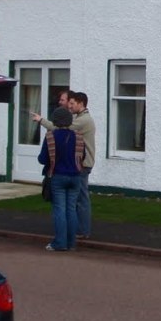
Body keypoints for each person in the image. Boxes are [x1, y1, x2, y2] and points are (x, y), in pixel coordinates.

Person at [36, 107, 83, 252]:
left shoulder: (50, 136)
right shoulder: (78, 137)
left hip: (58, 176)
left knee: (59, 210)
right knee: (71, 209)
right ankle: (71, 243)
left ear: (55, 120)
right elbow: (83, 157)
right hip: (75, 176)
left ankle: (60, 242)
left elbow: (42, 159)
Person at [69, 91, 97, 239]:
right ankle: (79, 228)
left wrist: (42, 120)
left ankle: (83, 230)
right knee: (79, 197)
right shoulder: (81, 118)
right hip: (83, 162)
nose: (70, 106)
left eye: (72, 103)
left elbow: (62, 128)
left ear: (81, 103)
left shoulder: (83, 120)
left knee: (81, 198)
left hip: (83, 163)